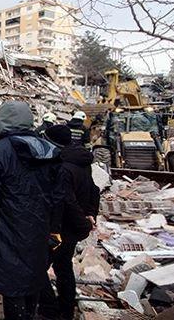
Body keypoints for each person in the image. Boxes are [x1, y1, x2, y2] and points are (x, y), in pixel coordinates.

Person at [0, 101, 63, 320]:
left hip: (6, 229)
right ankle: (28, 315)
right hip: (39, 229)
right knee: (33, 275)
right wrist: (54, 228)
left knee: (11, 282)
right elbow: (58, 197)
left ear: (1, 122)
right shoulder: (49, 150)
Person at [39, 125, 99, 320]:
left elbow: (65, 199)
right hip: (72, 228)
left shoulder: (62, 167)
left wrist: (81, 221)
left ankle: (49, 310)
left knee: (37, 268)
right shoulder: (82, 162)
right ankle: (66, 309)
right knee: (63, 267)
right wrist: (90, 214)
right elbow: (94, 190)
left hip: (61, 227)